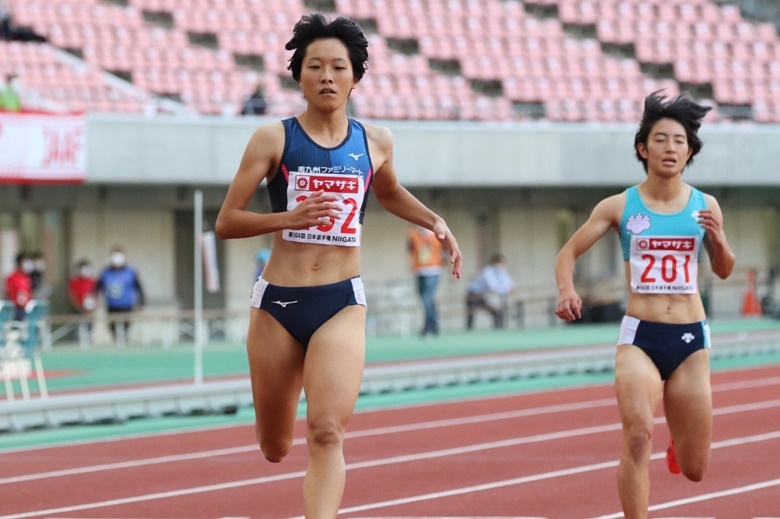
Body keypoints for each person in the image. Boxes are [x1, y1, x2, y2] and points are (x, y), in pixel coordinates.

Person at [214, 13, 462, 518]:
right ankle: (273, 435)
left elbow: (389, 192)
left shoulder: (376, 141)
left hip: (340, 301)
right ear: (299, 76)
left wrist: (434, 221)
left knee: (327, 431)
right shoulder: (272, 139)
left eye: (338, 67)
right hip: (278, 304)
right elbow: (226, 222)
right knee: (275, 445)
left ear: (355, 75)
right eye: (315, 66)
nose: (327, 76)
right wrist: (287, 216)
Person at [554, 91, 735, 519]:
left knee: (695, 469)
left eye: (679, 141)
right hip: (641, 335)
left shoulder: (705, 206)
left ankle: (680, 440)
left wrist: (721, 240)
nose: (670, 148)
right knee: (636, 438)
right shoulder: (619, 206)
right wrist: (567, 289)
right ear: (643, 148)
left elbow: (724, 270)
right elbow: (567, 253)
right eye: (660, 139)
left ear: (690, 151)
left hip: (691, 338)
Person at [95, 245, 145, 344]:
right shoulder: (105, 272)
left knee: (126, 325)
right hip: (111, 305)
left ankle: (124, 340)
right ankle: (116, 341)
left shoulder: (130, 271)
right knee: (112, 326)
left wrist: (141, 304)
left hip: (126, 305)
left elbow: (139, 289)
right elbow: (97, 288)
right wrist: (95, 300)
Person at [407, 225, 444, 336]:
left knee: (427, 298)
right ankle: (434, 322)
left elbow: (444, 252)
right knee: (426, 299)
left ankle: (428, 326)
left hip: (433, 271)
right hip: (419, 271)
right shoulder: (413, 234)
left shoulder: (437, 235)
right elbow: (410, 250)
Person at [465, 252, 515, 330]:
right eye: (500, 262)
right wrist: (506, 290)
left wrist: (510, 288)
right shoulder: (487, 271)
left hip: (483, 296)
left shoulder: (501, 271)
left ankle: (498, 331)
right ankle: (468, 331)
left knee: (497, 312)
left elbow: (507, 282)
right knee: (471, 314)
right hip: (473, 295)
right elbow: (492, 286)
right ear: (495, 262)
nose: (501, 265)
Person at [68, 259, 97, 344]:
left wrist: (90, 309)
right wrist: (81, 309)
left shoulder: (93, 281)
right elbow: (72, 297)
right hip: (77, 311)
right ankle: (74, 344)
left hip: (90, 311)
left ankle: (89, 342)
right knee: (76, 330)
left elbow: (97, 296)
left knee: (89, 329)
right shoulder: (74, 282)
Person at [4, 252, 33, 321]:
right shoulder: (12, 277)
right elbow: (8, 294)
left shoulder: (27, 277)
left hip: (27, 308)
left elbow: (30, 293)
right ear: (20, 263)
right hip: (16, 310)